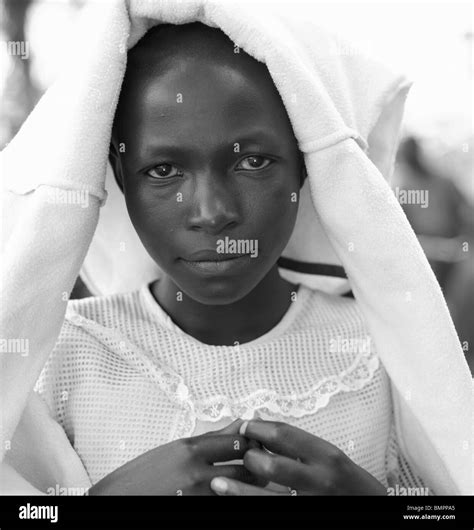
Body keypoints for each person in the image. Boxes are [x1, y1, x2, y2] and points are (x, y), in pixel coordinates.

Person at [1, 2, 470, 496]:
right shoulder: (59, 359)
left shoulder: (380, 355)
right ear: (120, 180)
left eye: (252, 161)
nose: (211, 211)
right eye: (163, 171)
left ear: (306, 168)